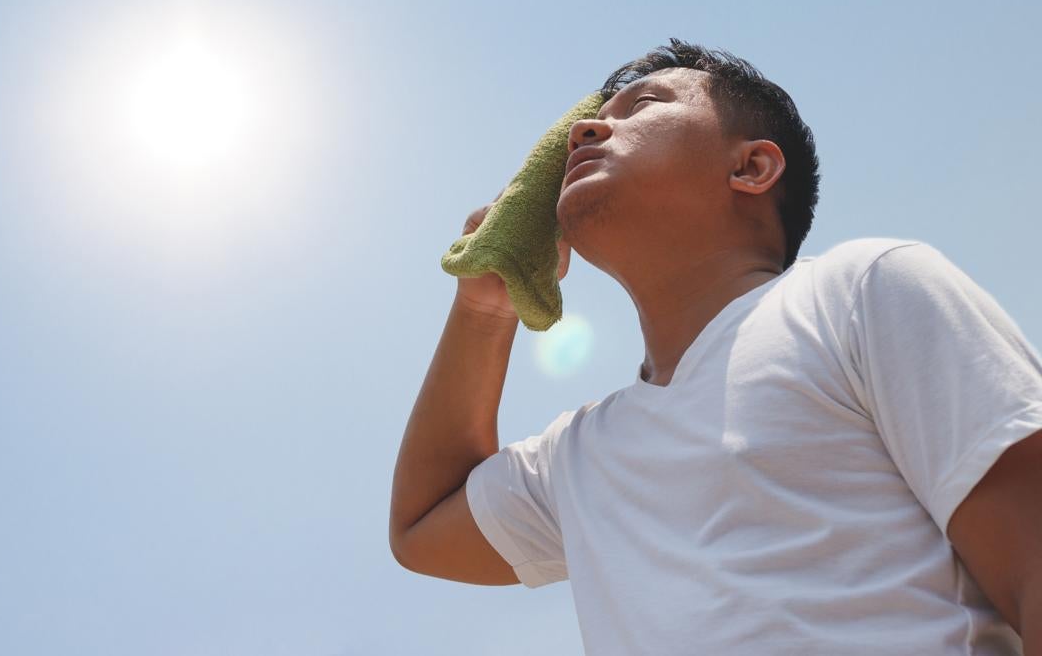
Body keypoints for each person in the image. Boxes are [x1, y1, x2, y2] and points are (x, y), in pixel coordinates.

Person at [389, 38, 1042, 654]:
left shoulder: (860, 292)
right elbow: (422, 528)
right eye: (589, 123)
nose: (583, 132)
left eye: (642, 107)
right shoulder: (578, 457)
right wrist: (482, 305)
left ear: (752, 167)